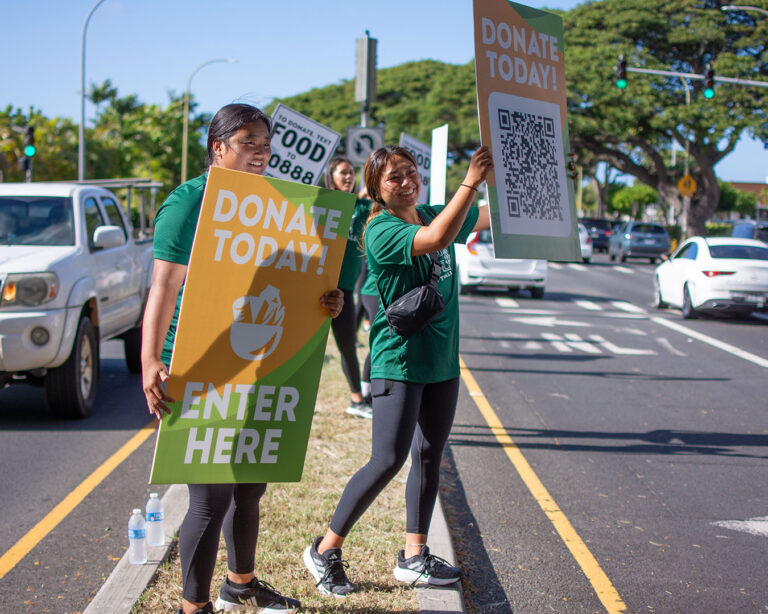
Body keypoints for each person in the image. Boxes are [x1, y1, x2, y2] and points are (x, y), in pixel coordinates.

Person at [141, 103, 344, 614]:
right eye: (249, 143)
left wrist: (327, 299)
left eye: (266, 145)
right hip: (196, 366)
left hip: (260, 363)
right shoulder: (188, 203)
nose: (261, 153)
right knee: (209, 500)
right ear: (219, 147)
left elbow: (289, 282)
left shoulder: (273, 203)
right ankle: (195, 607)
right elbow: (164, 287)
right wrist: (149, 361)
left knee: (250, 485)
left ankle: (241, 585)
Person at [303, 145, 492, 595]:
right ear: (377, 191)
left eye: (411, 173)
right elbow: (437, 240)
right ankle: (325, 548)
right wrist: (470, 180)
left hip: (442, 362)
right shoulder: (380, 229)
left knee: (429, 455)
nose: (406, 182)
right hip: (399, 362)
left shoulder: (428, 210)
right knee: (387, 459)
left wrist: (517, 180)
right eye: (394, 178)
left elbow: (485, 218)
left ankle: (413, 555)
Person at [323, 157, 374, 418]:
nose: (348, 177)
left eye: (351, 173)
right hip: (314, 286)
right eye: (343, 172)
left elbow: (383, 204)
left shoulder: (363, 208)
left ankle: (357, 401)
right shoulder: (320, 204)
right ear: (330, 176)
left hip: (342, 291)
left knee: (347, 346)